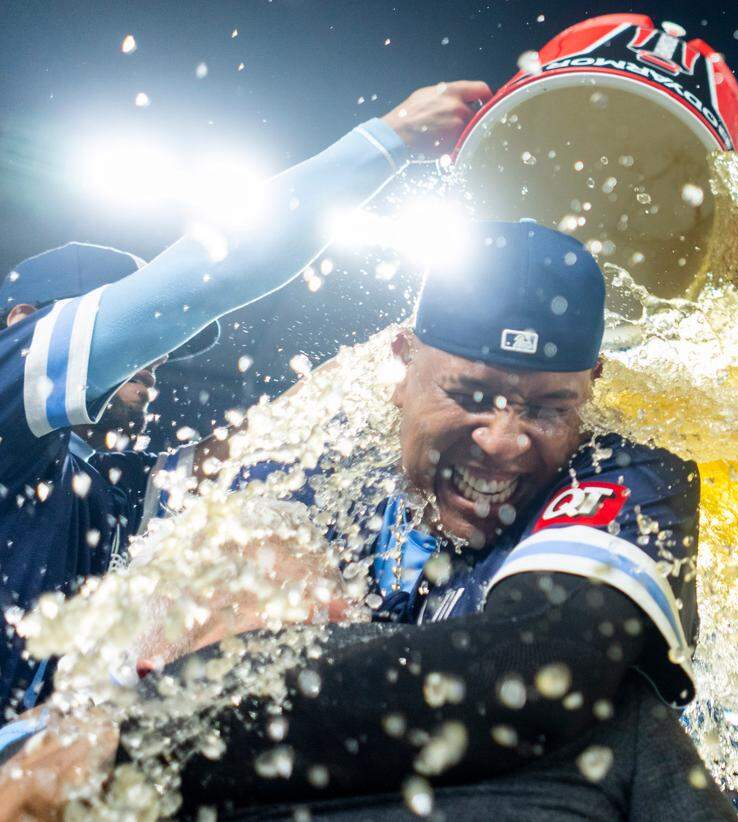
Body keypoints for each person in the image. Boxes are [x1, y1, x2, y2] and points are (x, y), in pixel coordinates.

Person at [0, 222, 737, 819]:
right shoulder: (316, 463)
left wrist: (143, 731)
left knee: (627, 726)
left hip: (532, 782)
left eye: (548, 408)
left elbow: (536, 664)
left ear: (592, 385)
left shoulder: (626, 473)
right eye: (472, 394)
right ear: (402, 360)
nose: (505, 440)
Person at [0, 78, 492, 718]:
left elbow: (239, 458)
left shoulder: (86, 488)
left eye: (164, 356)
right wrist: (388, 139)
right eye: (137, 347)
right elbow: (210, 276)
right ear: (23, 321)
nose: (155, 366)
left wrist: (410, 369)